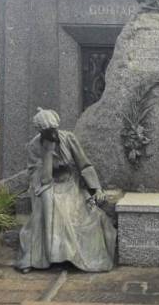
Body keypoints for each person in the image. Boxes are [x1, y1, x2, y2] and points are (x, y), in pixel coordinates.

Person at [17, 108, 116, 273]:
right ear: (41, 132)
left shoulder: (68, 138)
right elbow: (43, 178)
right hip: (47, 185)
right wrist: (47, 153)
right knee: (47, 202)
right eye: (48, 132)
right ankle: (39, 257)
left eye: (54, 130)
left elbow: (84, 166)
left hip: (70, 184)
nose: (53, 134)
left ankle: (69, 254)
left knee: (73, 212)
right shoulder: (35, 146)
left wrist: (96, 188)